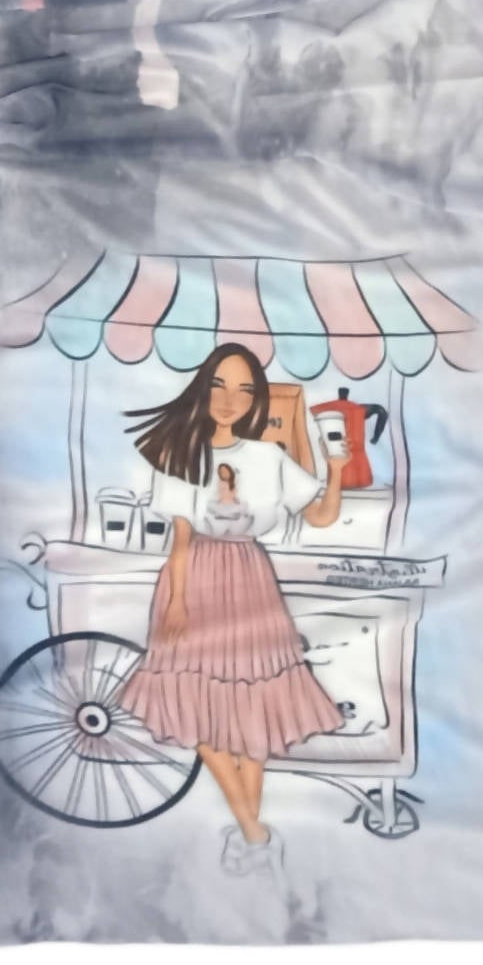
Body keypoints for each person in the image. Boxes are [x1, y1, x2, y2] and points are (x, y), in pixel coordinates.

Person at [117, 342, 347, 874]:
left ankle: (252, 835)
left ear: (256, 399)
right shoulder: (180, 451)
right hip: (195, 577)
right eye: (219, 385)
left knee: (254, 702)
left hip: (250, 579)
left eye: (244, 390)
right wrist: (177, 603)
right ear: (203, 387)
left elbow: (321, 517)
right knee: (193, 700)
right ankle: (254, 832)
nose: (229, 399)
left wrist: (336, 468)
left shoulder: (268, 457)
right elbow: (180, 540)